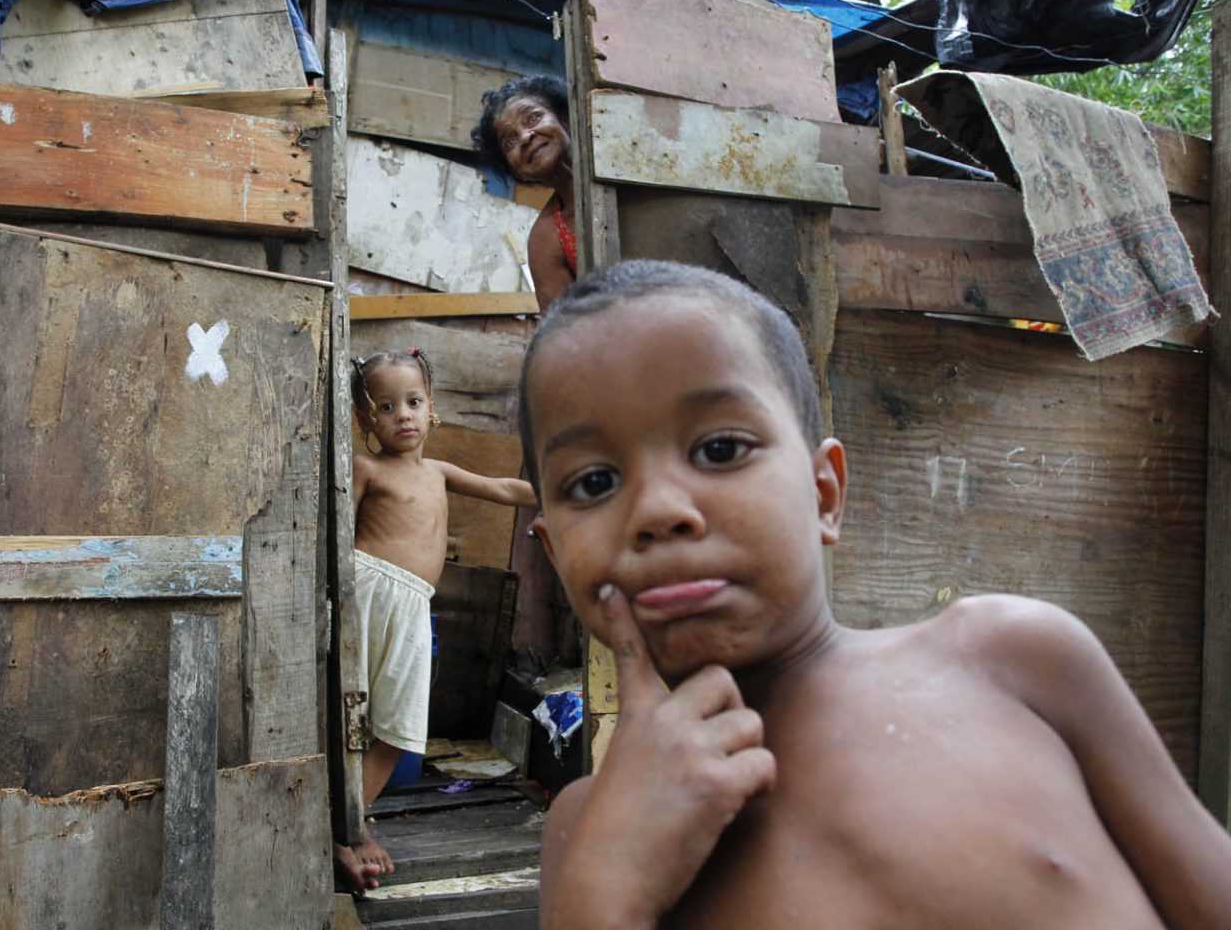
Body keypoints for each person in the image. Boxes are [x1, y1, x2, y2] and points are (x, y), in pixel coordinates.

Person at [516, 259, 1231, 928]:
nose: (657, 510)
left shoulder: (1016, 660)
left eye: (720, 449)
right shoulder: (590, 830)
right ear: (553, 552)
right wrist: (605, 888)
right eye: (594, 482)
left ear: (825, 494)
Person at [337, 347, 538, 894]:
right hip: (368, 590)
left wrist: (565, 493)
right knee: (352, 717)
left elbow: (505, 489)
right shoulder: (366, 468)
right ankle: (348, 832)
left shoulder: (439, 473)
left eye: (413, 401)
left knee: (397, 727)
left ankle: (349, 822)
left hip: (410, 603)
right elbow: (335, 534)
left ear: (432, 408)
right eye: (385, 407)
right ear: (364, 421)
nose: (402, 415)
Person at [474, 75, 576, 310]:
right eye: (509, 142)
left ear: (564, 120)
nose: (525, 137)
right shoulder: (545, 239)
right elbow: (566, 326)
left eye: (533, 118)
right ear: (517, 171)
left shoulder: (627, 171)